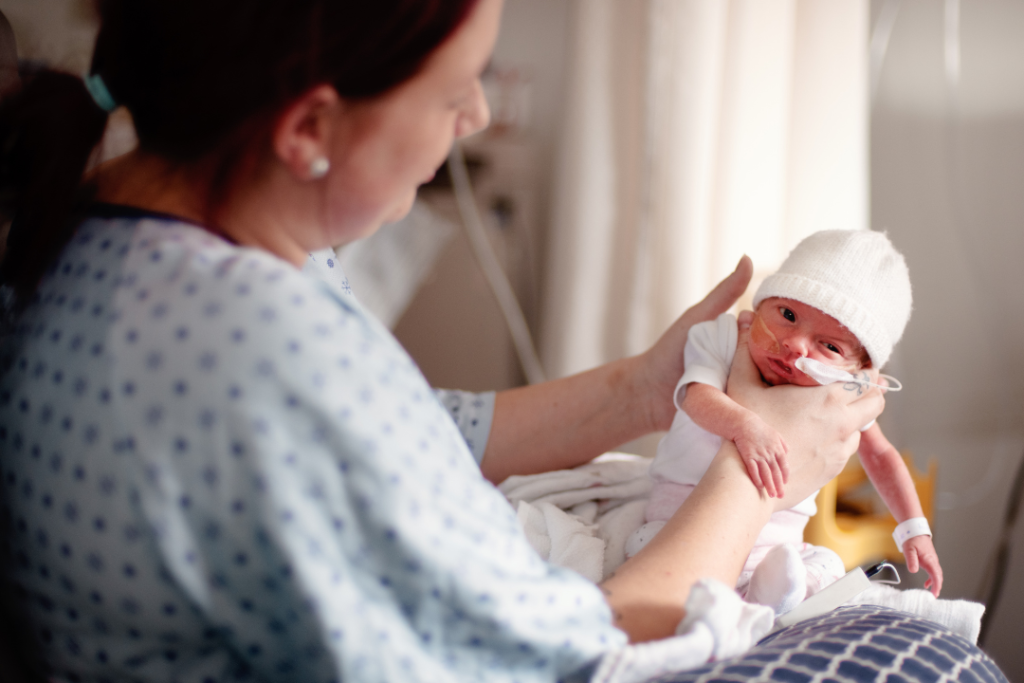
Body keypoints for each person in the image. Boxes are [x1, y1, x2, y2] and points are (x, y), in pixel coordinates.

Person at [0, 0, 884, 680]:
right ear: (309, 126)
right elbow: (583, 652)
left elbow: (421, 432)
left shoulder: (110, 225)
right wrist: (755, 467)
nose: (474, 117)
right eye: (457, 87)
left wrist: (647, 389)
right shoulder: (266, 353)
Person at [626, 230, 943, 615]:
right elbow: (696, 397)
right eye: (788, 316)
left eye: (829, 346)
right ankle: (741, 599)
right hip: (683, 513)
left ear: (859, 370)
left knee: (828, 564)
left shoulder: (839, 391)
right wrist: (745, 425)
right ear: (761, 305)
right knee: (644, 545)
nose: (795, 344)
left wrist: (913, 528)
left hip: (781, 539)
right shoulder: (724, 339)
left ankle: (770, 592)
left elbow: (881, 456)